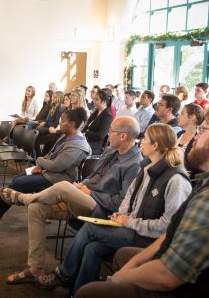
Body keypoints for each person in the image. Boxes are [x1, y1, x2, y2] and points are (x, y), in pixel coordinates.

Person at [75, 105, 209, 298]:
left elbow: (168, 276)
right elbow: (170, 235)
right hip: (182, 271)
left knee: (89, 293)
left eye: (202, 130)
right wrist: (129, 268)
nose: (195, 138)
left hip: (197, 288)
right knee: (121, 256)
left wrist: (121, 278)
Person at [38, 123, 192, 294]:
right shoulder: (147, 168)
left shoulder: (176, 180)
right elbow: (129, 199)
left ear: (155, 145)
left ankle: (64, 274)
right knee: (92, 249)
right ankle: (78, 292)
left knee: (90, 229)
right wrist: (121, 215)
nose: (141, 141)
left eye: (146, 139)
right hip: (134, 229)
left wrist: (130, 222)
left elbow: (168, 228)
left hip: (150, 240)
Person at [0, 117, 142, 284]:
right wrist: (81, 185)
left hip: (101, 210)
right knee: (36, 209)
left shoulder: (134, 165)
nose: (108, 134)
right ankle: (35, 268)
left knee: (63, 186)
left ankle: (23, 198)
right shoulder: (111, 151)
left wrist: (89, 192)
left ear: (123, 136)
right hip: (84, 198)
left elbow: (122, 203)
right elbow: (93, 176)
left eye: (111, 131)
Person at [0, 108, 92, 228]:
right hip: (49, 172)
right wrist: (40, 164)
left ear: (72, 124)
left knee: (19, 183)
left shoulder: (77, 146)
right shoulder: (66, 136)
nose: (60, 123)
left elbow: (57, 166)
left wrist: (39, 161)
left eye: (63, 121)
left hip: (61, 179)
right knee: (18, 179)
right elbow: (51, 155)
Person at [177, 104, 204, 181]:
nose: (178, 117)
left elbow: (195, 168)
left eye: (182, 113)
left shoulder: (199, 140)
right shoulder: (178, 135)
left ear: (192, 117)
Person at [82, 89, 113, 155]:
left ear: (104, 102)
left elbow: (100, 135)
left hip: (95, 146)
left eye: (96, 99)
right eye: (94, 99)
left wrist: (86, 133)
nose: (94, 101)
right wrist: (81, 133)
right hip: (87, 141)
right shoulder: (96, 112)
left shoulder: (107, 116)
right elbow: (87, 125)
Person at [35, 91, 66, 157]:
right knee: (36, 132)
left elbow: (55, 123)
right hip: (48, 127)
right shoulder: (53, 107)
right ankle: (36, 157)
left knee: (37, 134)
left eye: (55, 97)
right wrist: (44, 123)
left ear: (59, 98)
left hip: (52, 129)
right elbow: (47, 120)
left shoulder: (60, 107)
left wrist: (47, 125)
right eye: (53, 97)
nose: (53, 98)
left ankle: (38, 158)